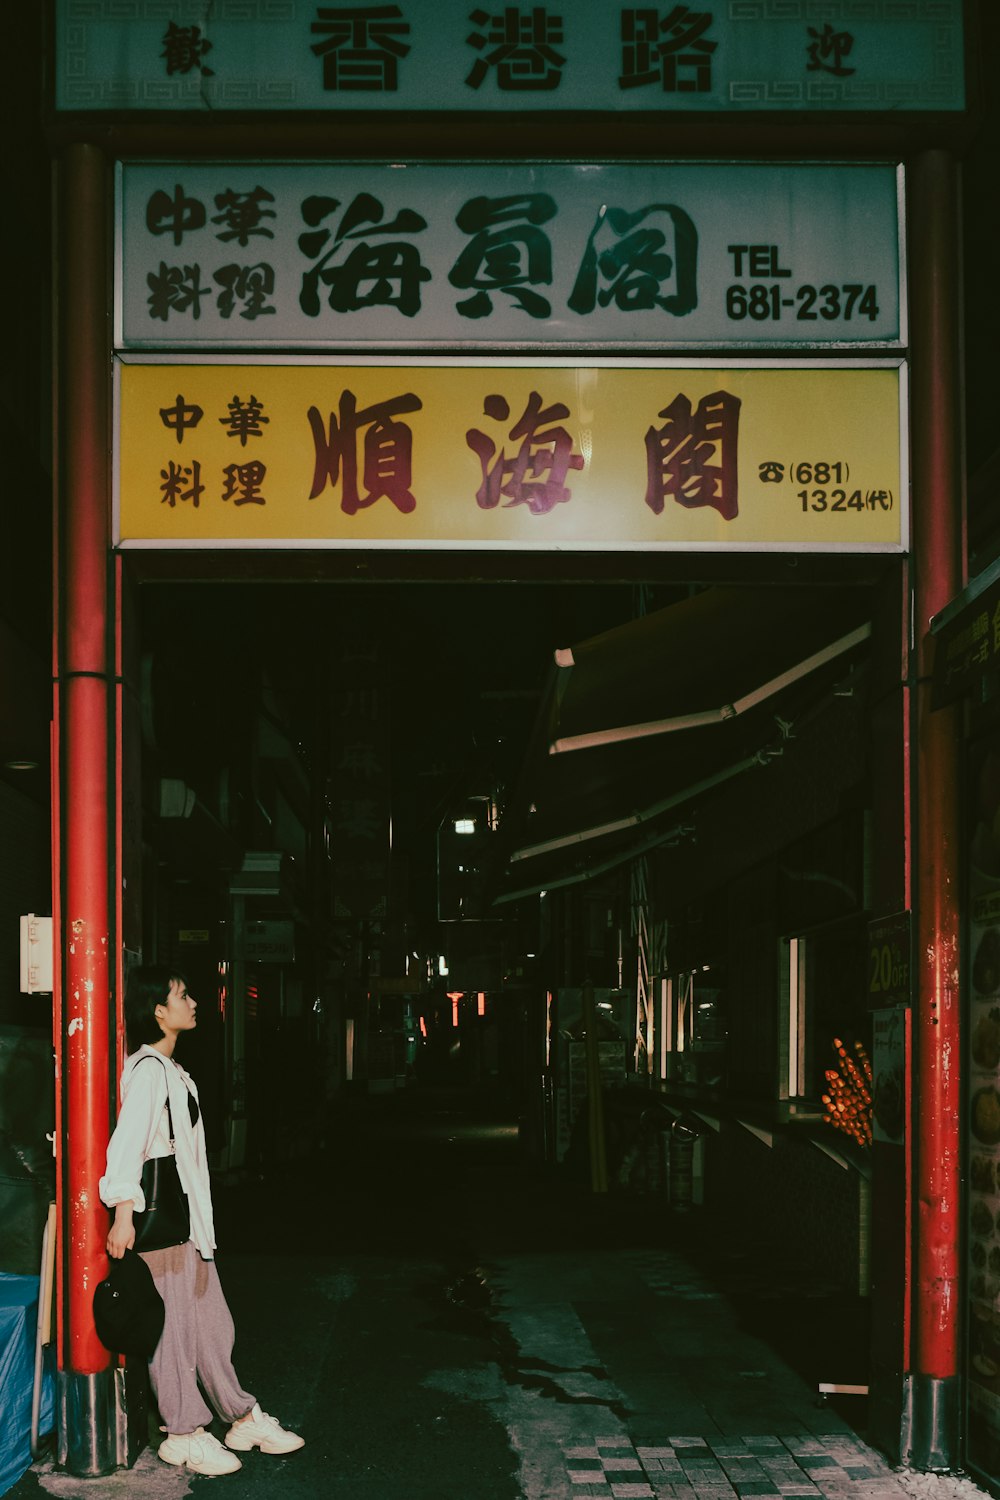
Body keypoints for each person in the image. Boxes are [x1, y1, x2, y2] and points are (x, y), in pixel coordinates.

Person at [99, 965, 304, 1477]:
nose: (193, 1002)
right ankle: (184, 1433)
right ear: (158, 1011)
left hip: (187, 1227)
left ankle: (240, 1416)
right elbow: (129, 1146)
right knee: (173, 1333)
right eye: (183, 996)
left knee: (213, 1327)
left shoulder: (171, 1069)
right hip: (160, 1227)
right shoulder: (148, 1070)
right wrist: (124, 1213)